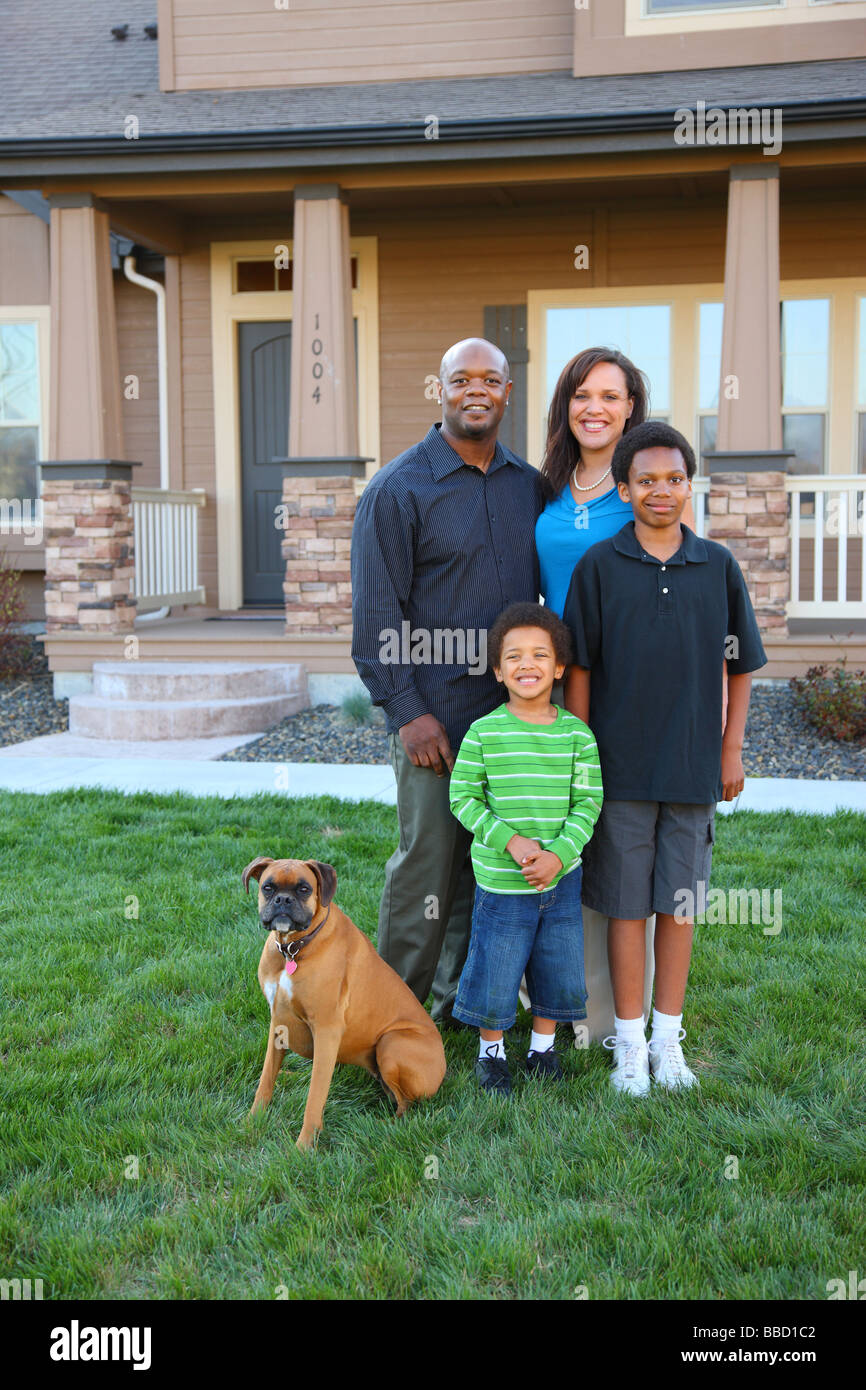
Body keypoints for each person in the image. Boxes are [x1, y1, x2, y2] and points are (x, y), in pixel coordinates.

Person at [562, 420, 766, 1095]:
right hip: (618, 773)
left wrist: (729, 749)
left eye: (674, 479)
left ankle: (667, 1042)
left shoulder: (717, 567)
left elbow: (740, 667)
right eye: (646, 480)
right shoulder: (598, 569)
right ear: (623, 489)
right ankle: (627, 1043)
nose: (661, 490)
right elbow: (581, 671)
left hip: (690, 770)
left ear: (689, 485)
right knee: (625, 909)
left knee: (679, 907)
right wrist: (583, 762)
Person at [350, 339, 544, 1024]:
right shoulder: (397, 490)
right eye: (461, 379)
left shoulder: (529, 486)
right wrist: (407, 711)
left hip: (511, 716)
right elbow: (376, 616)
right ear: (441, 389)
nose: (476, 391)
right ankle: (391, 1016)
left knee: (486, 865)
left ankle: (460, 1004)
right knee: (426, 868)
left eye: (490, 380)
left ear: (508, 392)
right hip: (436, 717)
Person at [533, 348, 697, 1043]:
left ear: (633, 406)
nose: (594, 407)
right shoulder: (544, 488)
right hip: (553, 688)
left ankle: (615, 1022)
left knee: (619, 851)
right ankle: (561, 1001)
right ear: (565, 404)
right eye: (581, 394)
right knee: (563, 843)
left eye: (611, 395)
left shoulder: (643, 485)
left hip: (628, 694)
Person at [449, 602, 602, 1095]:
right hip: (501, 881)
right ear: (498, 670)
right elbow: (462, 797)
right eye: (513, 656)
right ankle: (490, 1053)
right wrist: (511, 842)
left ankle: (542, 1048)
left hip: (562, 877)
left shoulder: (577, 735)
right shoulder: (484, 733)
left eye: (540, 655)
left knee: (556, 964)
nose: (527, 664)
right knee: (497, 964)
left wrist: (558, 854)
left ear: (559, 667)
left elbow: (589, 802)